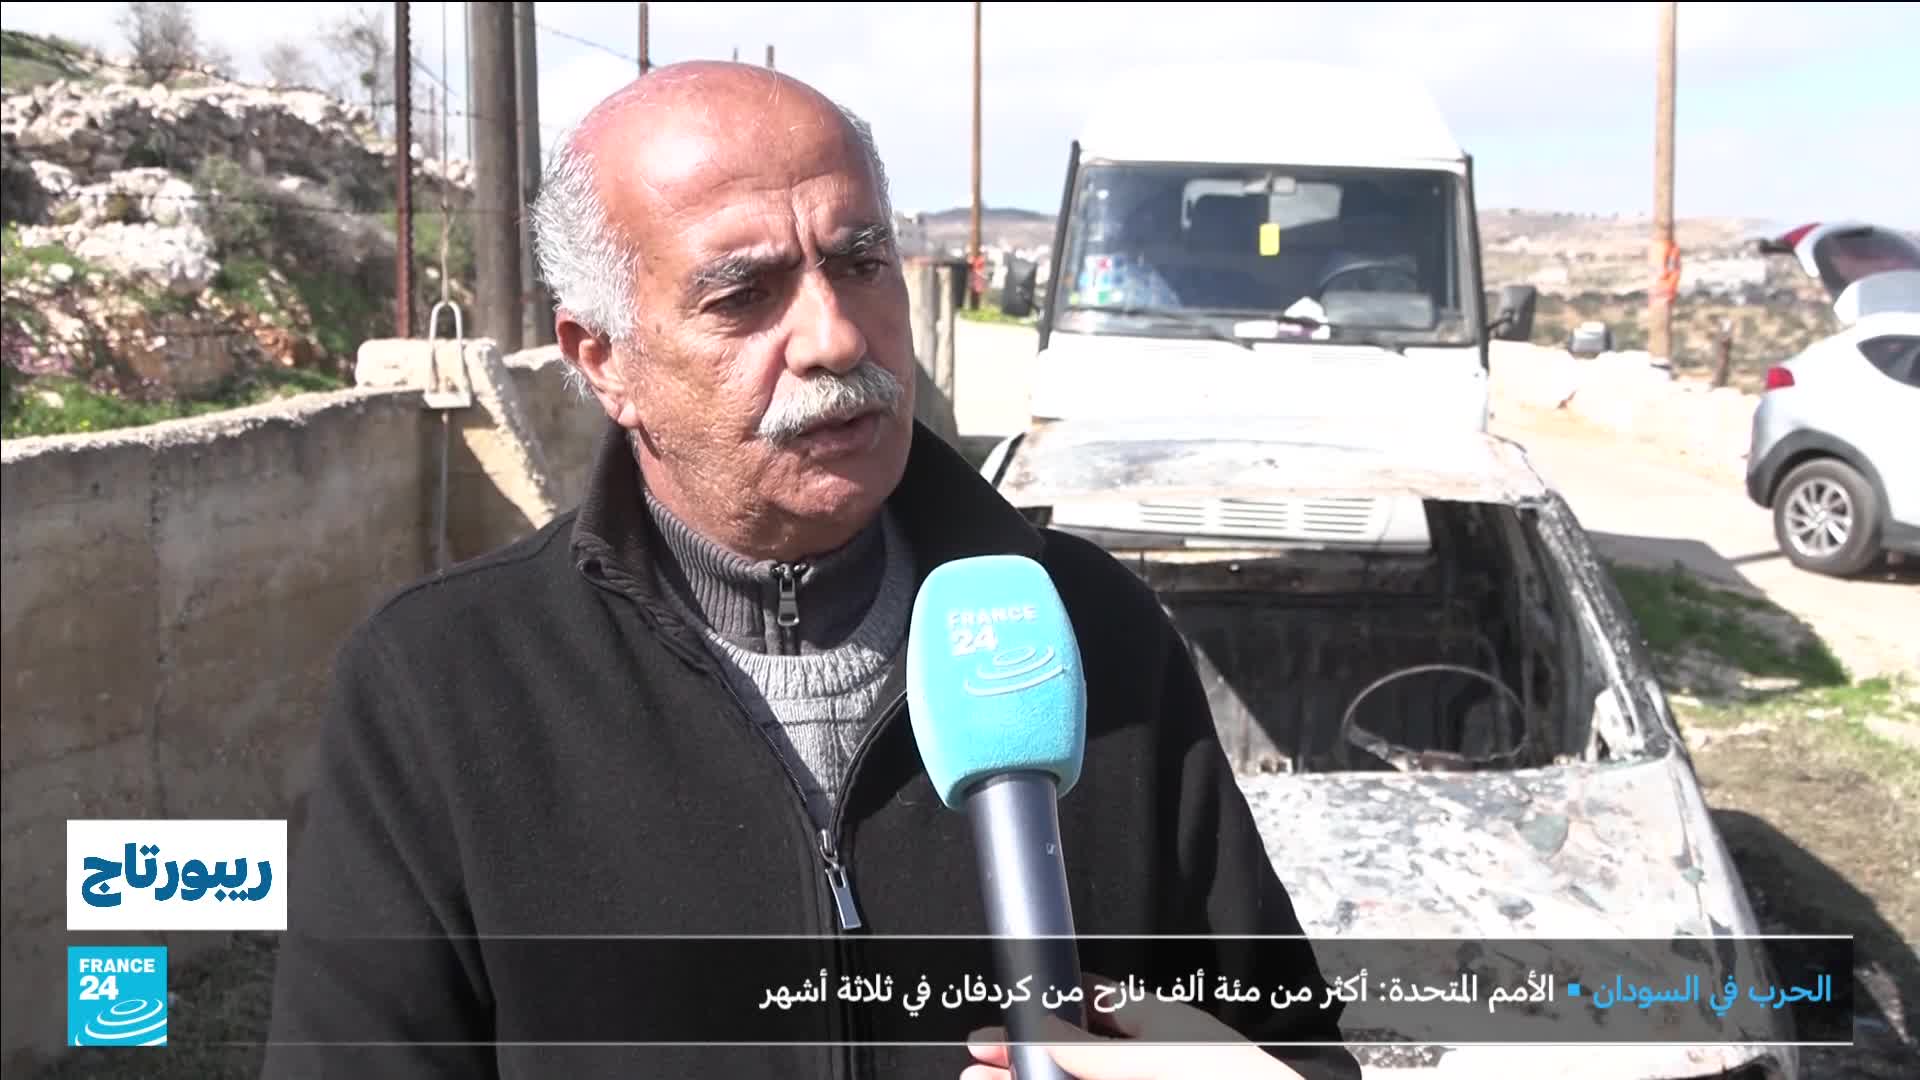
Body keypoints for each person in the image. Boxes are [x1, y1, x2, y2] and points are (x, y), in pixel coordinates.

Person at [262, 61, 1359, 1080]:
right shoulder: (442, 688)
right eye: (744, 293)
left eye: (860, 262)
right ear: (604, 360)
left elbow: (1294, 1051)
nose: (836, 336)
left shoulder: (1087, 627)